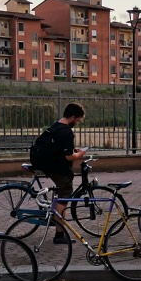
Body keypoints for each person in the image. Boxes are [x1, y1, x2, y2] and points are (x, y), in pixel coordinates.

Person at [43, 102, 87, 244]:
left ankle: (55, 218)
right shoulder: (67, 131)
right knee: (64, 196)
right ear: (73, 117)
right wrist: (80, 154)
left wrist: (72, 151)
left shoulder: (55, 126)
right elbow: (68, 157)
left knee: (60, 195)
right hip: (59, 169)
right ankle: (59, 234)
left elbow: (59, 149)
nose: (77, 123)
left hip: (49, 165)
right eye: (77, 120)